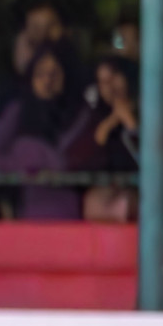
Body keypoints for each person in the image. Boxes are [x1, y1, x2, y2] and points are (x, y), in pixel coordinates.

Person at [0, 43, 80, 219]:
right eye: (41, 74)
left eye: (54, 74)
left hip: (71, 215)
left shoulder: (77, 115)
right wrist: (23, 164)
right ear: (31, 77)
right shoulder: (18, 112)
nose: (48, 80)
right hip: (26, 212)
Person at [62, 56, 140, 222]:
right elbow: (75, 159)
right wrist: (108, 125)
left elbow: (155, 160)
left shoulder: (149, 109)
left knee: (125, 205)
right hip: (104, 193)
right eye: (103, 82)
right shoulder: (92, 117)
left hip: (143, 193)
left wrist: (131, 124)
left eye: (114, 77)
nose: (110, 87)